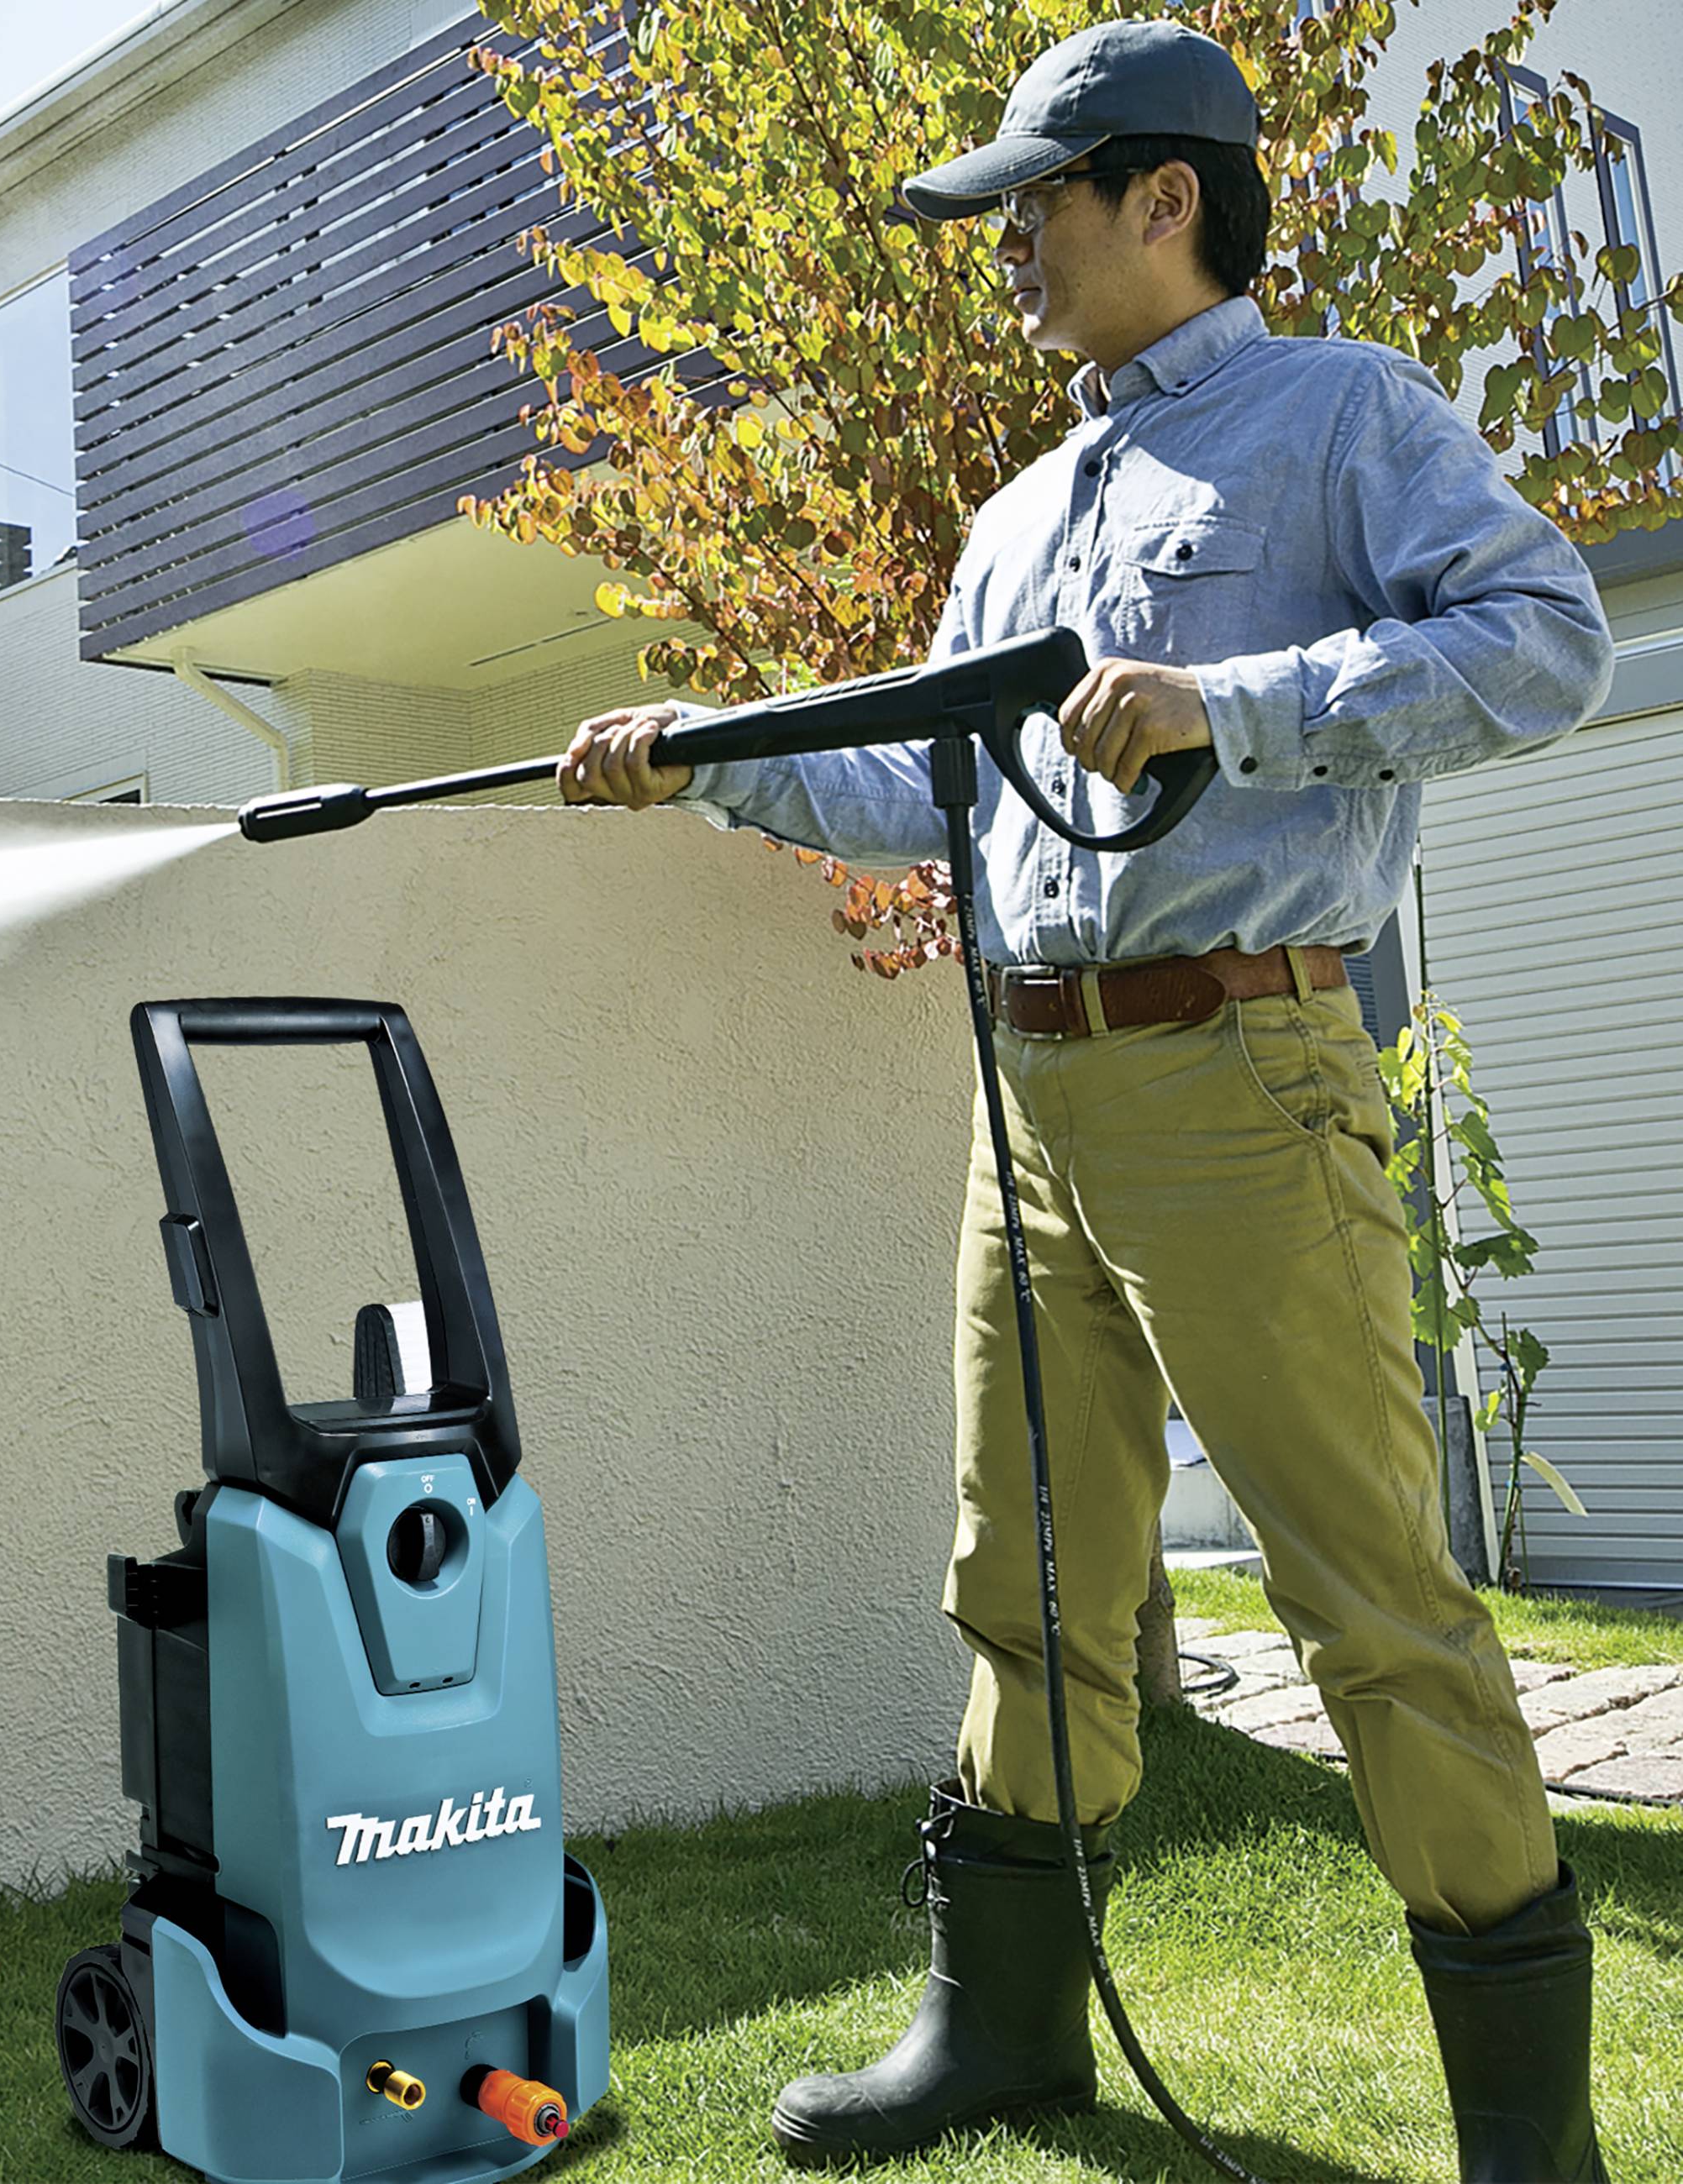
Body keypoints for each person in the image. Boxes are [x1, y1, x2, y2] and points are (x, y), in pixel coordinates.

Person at [558, 19, 1616, 2183]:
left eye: (1037, 203)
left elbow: (1546, 641)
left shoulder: (1346, 418)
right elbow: (934, 793)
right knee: (1025, 1576)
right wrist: (713, 757)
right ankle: (1009, 2029)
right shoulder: (1018, 515)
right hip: (1028, 1086)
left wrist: (1230, 703)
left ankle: (1530, 2138)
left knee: (1370, 1601)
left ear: (1168, 200)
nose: (1011, 245)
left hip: (1246, 1075)